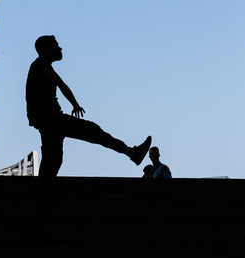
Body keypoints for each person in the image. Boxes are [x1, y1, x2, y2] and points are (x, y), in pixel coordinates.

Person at [26, 35, 152, 177]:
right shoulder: (42, 64)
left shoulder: (38, 66)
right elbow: (61, 85)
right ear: (48, 49)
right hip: (51, 120)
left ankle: (39, 192)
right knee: (91, 131)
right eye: (56, 45)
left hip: (48, 120)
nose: (60, 48)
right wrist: (75, 104)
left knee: (53, 159)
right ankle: (132, 153)